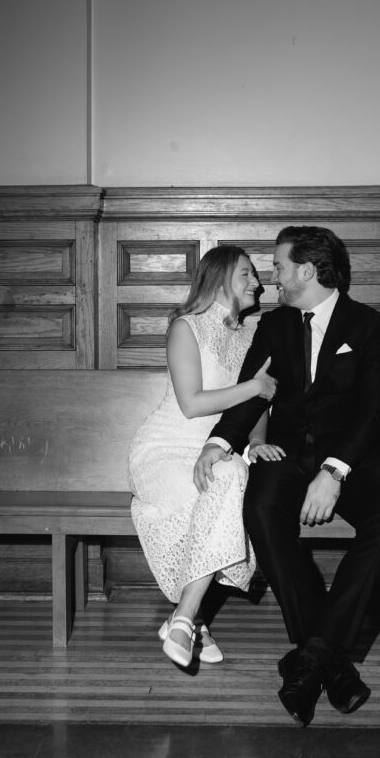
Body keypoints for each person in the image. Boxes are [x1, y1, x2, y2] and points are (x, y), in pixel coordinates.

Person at [195, 225, 380, 725]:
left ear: (308, 271)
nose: (273, 278)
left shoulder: (373, 328)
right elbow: (255, 393)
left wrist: (335, 471)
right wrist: (218, 443)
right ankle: (330, 662)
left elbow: (378, 415)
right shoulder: (273, 327)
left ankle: (308, 660)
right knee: (261, 508)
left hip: (355, 459)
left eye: (280, 267)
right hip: (288, 456)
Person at [127, 245, 276, 669]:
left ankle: (185, 618)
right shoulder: (185, 327)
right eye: (247, 274)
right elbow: (192, 404)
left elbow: (257, 408)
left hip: (217, 448)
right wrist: (254, 388)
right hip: (164, 450)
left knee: (229, 477)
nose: (258, 284)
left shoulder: (252, 335)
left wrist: (254, 443)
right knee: (212, 499)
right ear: (222, 276)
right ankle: (197, 619)